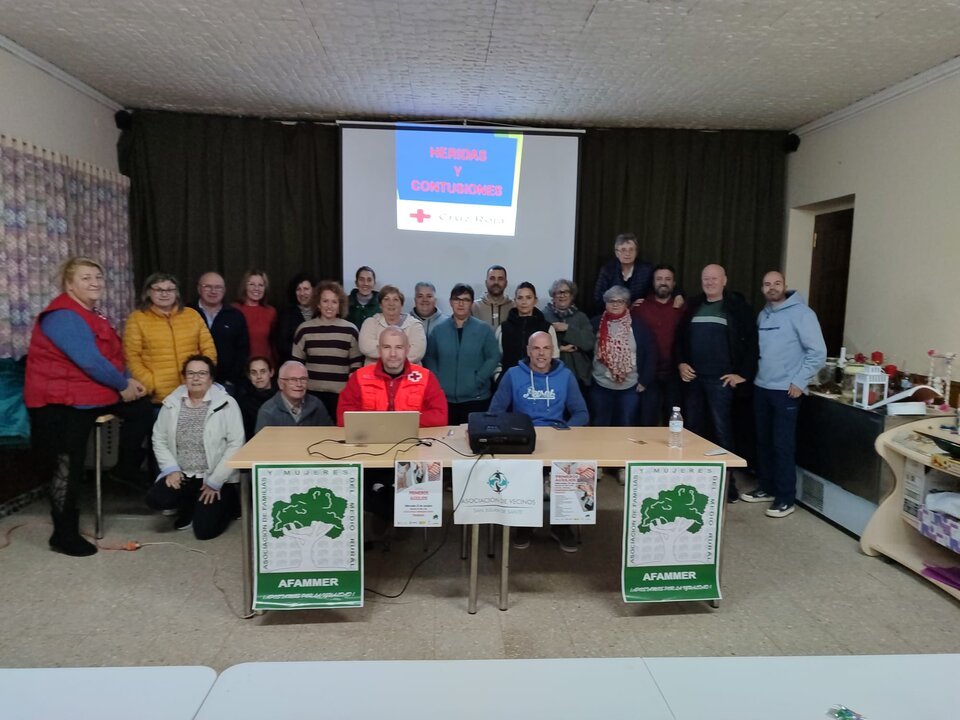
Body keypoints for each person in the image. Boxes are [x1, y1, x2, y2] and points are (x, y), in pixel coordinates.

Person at [24, 257, 154, 556]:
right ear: (69, 284)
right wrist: (123, 386)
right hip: (58, 403)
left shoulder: (92, 314)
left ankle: (124, 468)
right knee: (67, 465)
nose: (95, 282)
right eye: (86, 278)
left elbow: (110, 358)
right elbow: (90, 361)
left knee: (141, 409)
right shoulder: (63, 316)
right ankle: (63, 534)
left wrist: (129, 382)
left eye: (98, 276)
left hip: (87, 395)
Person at [488, 331, 589, 553]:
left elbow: (581, 412)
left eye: (545, 348)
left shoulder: (566, 376)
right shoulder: (513, 375)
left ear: (553, 351)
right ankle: (525, 523)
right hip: (523, 437)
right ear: (528, 351)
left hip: (557, 436)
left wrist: (566, 432)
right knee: (523, 469)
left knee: (571, 466)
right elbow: (495, 411)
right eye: (536, 348)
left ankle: (562, 525)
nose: (541, 353)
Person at [338, 327, 448, 525]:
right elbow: (342, 416)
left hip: (413, 452)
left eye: (399, 347)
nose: (393, 353)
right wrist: (382, 423)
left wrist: (402, 422)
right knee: (354, 486)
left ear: (407, 349)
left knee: (413, 493)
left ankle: (395, 516)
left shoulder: (425, 377)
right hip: (369, 452)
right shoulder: (360, 377)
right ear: (379, 349)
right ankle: (386, 512)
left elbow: (441, 415)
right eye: (387, 347)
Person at [744, 271, 826, 518]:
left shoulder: (803, 314)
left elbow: (818, 352)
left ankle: (785, 498)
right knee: (763, 442)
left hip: (786, 392)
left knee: (782, 445)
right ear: (762, 288)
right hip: (762, 387)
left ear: (785, 286)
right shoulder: (763, 314)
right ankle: (767, 488)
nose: (772, 288)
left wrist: (800, 381)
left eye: (777, 283)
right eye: (767, 284)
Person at [676, 264, 758, 503]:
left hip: (721, 382)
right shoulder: (692, 306)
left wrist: (742, 373)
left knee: (723, 434)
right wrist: (681, 363)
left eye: (714, 278)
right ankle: (692, 484)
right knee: (692, 433)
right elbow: (679, 339)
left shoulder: (737, 308)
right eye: (705, 278)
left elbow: (752, 343)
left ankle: (727, 486)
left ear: (724, 280)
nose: (709, 282)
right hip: (694, 379)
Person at [147, 355, 245, 539]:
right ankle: (190, 503)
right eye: (191, 373)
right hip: (183, 474)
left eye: (202, 373)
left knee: (205, 531)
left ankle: (229, 500)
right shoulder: (172, 403)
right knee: (156, 498)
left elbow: (236, 444)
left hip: (214, 476)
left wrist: (216, 481)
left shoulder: (227, 404)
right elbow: (158, 438)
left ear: (211, 378)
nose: (196, 378)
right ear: (184, 377)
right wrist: (171, 469)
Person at [124, 272, 217, 404]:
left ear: (176, 292)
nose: (164, 294)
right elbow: (132, 357)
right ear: (149, 292)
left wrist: (203, 376)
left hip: (194, 393)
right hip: (159, 398)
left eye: (170, 289)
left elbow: (209, 350)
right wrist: (151, 383)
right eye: (159, 289)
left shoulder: (192, 315)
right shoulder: (137, 319)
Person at [423, 283, 501, 425]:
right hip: (445, 399)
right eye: (456, 299)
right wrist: (438, 381)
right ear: (450, 302)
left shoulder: (483, 329)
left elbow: (493, 356)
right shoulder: (438, 330)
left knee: (472, 442)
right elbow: (430, 357)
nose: (461, 303)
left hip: (476, 399)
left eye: (465, 300)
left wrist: (478, 379)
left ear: (471, 303)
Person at [291, 280, 362, 420]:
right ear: (318, 303)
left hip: (341, 396)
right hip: (311, 395)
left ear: (340, 305)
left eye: (334, 302)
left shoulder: (350, 330)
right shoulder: (304, 329)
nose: (329, 306)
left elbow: (356, 365)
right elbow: (296, 365)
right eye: (325, 301)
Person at [590, 285, 657, 427]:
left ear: (626, 304)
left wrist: (644, 381)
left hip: (629, 388)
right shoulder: (595, 323)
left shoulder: (638, 326)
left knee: (625, 428)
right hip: (601, 387)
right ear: (605, 303)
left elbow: (651, 353)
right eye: (611, 301)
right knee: (599, 429)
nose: (615, 304)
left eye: (620, 301)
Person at [632, 264, 685, 425]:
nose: (663, 282)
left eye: (668, 279)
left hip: (675, 374)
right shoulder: (640, 307)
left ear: (674, 284)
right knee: (647, 421)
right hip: (649, 375)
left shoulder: (683, 307)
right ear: (653, 282)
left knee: (675, 421)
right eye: (659, 279)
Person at [189, 271, 249, 392]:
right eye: (208, 287)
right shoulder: (187, 313)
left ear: (224, 290)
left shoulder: (235, 315)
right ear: (199, 288)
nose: (213, 291)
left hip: (226, 384)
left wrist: (231, 380)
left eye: (218, 287)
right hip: (192, 382)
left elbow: (243, 351)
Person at [495, 282, 559, 379]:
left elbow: (554, 358)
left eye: (528, 298)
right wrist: (498, 377)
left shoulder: (547, 328)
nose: (524, 302)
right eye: (520, 298)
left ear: (535, 300)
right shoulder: (503, 328)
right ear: (515, 300)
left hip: (539, 383)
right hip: (510, 381)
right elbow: (496, 358)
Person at [542, 278, 595, 393]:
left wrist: (567, 329)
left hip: (578, 375)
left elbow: (589, 343)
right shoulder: (544, 316)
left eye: (566, 292)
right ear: (553, 296)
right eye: (558, 292)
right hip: (550, 373)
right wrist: (560, 348)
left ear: (572, 296)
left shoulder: (581, 317)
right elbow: (536, 343)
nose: (562, 295)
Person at [358, 284, 427, 365]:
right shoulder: (370, 323)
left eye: (396, 299)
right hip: (374, 374)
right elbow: (366, 347)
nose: (391, 303)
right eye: (386, 299)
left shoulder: (415, 325)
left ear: (401, 305)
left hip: (409, 375)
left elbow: (417, 353)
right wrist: (401, 348)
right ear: (380, 305)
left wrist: (385, 350)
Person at [255, 360, 332, 430]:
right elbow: (262, 445)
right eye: (293, 380)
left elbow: (329, 437)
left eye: (303, 379)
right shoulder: (267, 411)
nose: (299, 384)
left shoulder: (317, 405)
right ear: (280, 384)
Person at [592, 232, 655, 311]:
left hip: (638, 312)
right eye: (623, 250)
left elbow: (655, 292)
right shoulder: (607, 270)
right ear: (616, 253)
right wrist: (625, 307)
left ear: (636, 252)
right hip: (612, 313)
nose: (627, 253)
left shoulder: (646, 269)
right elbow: (599, 297)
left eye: (631, 250)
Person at [233, 269, 277, 367]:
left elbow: (274, 344)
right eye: (251, 284)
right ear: (245, 286)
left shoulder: (271, 312)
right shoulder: (234, 309)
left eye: (261, 285)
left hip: (264, 367)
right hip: (240, 367)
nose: (256, 288)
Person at [275, 272, 317, 364]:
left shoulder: (321, 313)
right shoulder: (286, 314)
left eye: (306, 289)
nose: (302, 293)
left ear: (314, 290)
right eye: (298, 289)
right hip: (293, 365)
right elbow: (282, 344)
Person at [235, 356, 275, 439]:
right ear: (249, 376)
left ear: (271, 372)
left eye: (263, 371)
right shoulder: (244, 402)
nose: (259, 376)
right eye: (254, 373)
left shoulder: (282, 397)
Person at [472, 265, 514, 330]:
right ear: (486, 283)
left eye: (500, 279)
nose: (496, 282)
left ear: (506, 283)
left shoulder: (514, 306)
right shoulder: (474, 307)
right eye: (492, 278)